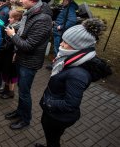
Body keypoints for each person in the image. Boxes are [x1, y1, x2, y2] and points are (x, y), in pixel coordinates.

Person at [36, 18, 111, 147]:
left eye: (66, 42)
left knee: (53, 139)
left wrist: (48, 102)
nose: (61, 44)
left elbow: (70, 105)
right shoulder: (72, 59)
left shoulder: (78, 74)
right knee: (52, 138)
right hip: (54, 112)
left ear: (79, 46)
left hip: (57, 116)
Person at [5, 0, 52, 130]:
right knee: (21, 89)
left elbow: (28, 45)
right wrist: (15, 31)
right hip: (22, 58)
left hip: (29, 62)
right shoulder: (30, 11)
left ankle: (25, 119)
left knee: (25, 92)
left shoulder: (43, 18)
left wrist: (12, 36)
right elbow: (24, 31)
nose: (21, 0)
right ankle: (19, 111)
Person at [0, 10, 23, 99]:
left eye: (11, 18)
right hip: (7, 53)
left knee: (12, 72)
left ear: (17, 19)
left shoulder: (18, 28)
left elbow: (16, 43)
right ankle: (6, 88)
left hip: (12, 53)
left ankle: (11, 92)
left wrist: (14, 53)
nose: (8, 19)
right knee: (6, 71)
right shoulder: (11, 26)